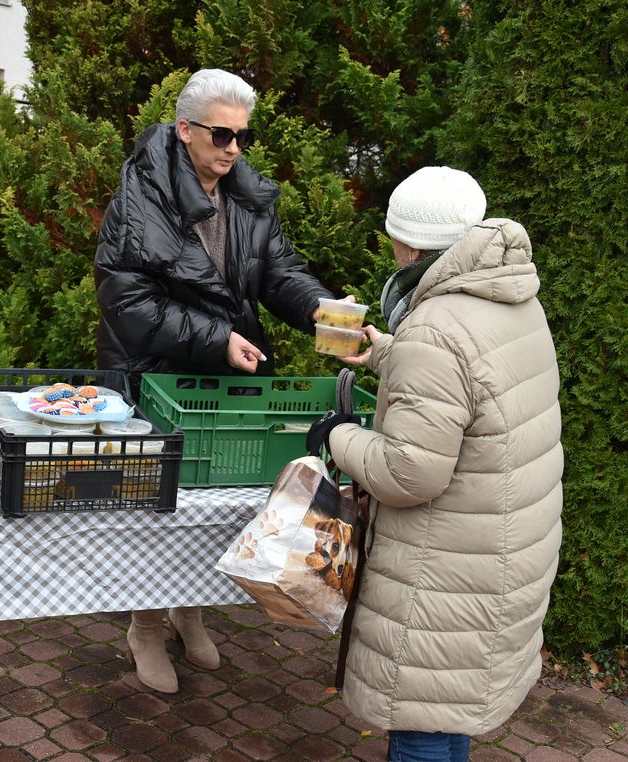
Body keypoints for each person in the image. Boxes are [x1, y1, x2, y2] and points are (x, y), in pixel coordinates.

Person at [94, 68, 341, 694]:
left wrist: (322, 310)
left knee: (215, 502)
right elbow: (128, 306)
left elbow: (278, 272)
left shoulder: (247, 197)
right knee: (158, 510)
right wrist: (214, 340)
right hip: (152, 376)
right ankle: (145, 626)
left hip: (222, 376)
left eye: (241, 136)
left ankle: (188, 610)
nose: (232, 148)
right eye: (220, 134)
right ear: (184, 130)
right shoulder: (137, 202)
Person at [311, 166, 564, 761]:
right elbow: (472, 390)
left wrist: (336, 435)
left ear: (409, 244)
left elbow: (408, 474)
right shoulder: (510, 298)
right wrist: (387, 355)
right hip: (498, 552)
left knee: (420, 713)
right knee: (450, 705)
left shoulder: (435, 325)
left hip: (444, 569)